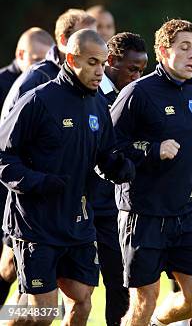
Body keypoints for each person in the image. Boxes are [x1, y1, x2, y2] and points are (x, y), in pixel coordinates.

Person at [0, 29, 135, 326]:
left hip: (78, 223)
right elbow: (4, 159)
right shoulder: (38, 100)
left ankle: (6, 317)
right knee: (44, 313)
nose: (100, 71)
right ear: (71, 59)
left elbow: (105, 154)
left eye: (103, 63)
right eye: (92, 63)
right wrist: (40, 182)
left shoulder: (99, 103)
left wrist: (117, 167)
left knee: (82, 300)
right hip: (36, 225)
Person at [111, 19, 192, 326]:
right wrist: (151, 149)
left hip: (184, 212)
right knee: (143, 299)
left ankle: (159, 323)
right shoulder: (137, 93)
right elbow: (108, 148)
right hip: (142, 214)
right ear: (162, 52)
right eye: (184, 48)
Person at [89, 32, 148, 325]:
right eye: (132, 69)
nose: (137, 76)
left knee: (119, 284)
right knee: (67, 291)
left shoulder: (136, 95)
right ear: (111, 61)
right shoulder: (92, 92)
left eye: (142, 70)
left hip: (116, 205)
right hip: (80, 202)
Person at [0, 27, 54, 304]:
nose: (39, 65)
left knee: (17, 274)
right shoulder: (8, 83)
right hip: (7, 183)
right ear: (21, 54)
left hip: (24, 191)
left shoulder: (49, 82)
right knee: (7, 270)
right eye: (34, 59)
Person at [1, 9, 96, 119]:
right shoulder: (36, 77)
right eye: (84, 38)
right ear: (63, 40)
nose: (93, 46)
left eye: (95, 38)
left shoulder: (97, 77)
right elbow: (12, 130)